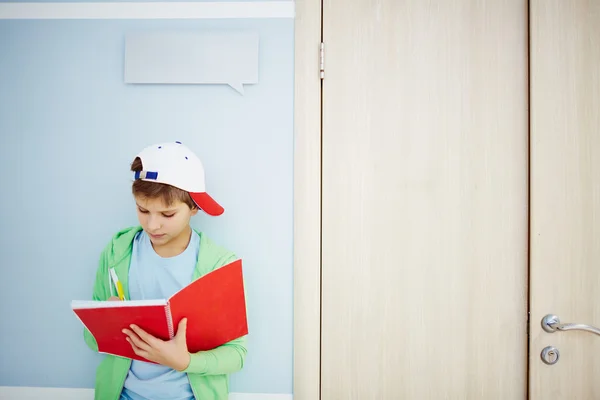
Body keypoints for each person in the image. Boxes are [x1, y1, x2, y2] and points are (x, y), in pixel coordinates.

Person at [83, 141, 247, 400]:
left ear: (195, 207)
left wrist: (185, 362)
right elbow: (92, 341)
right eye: (143, 209)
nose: (153, 224)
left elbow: (237, 355)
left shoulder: (218, 264)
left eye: (167, 214)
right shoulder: (117, 252)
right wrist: (106, 325)